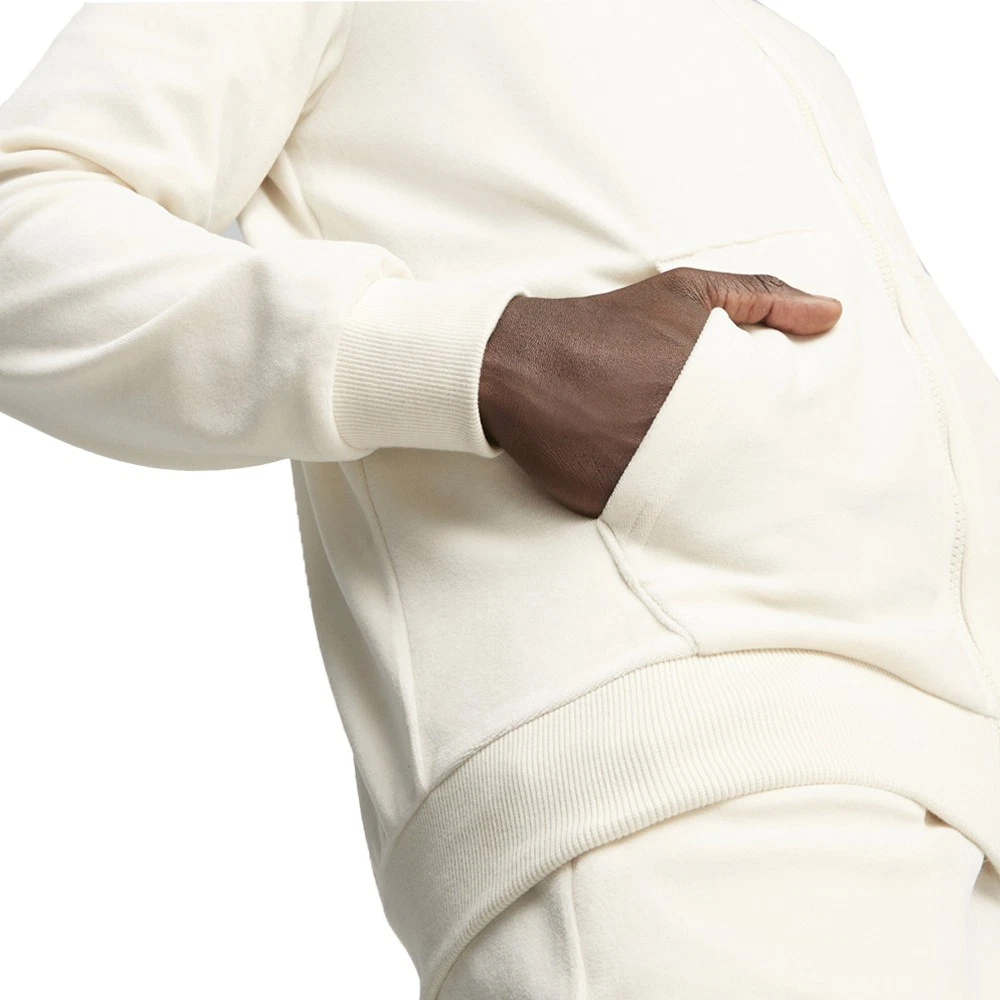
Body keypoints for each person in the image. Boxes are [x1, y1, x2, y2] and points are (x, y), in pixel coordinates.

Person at [1, 2, 997, 997]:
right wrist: (483, 356)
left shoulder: (778, 40)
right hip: (675, 789)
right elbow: (23, 235)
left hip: (959, 802)